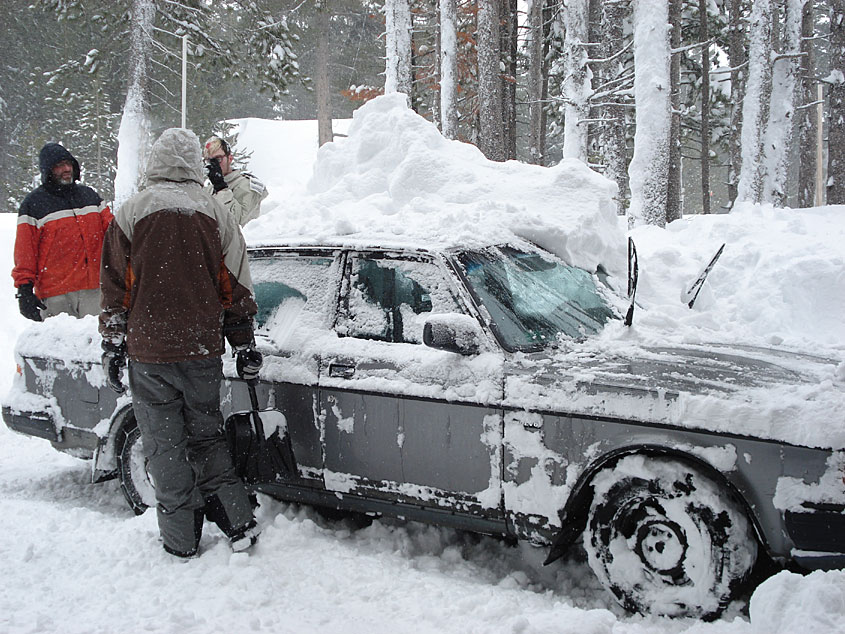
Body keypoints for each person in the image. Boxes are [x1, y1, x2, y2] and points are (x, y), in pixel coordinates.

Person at [99, 127, 264, 559]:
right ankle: (238, 523)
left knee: (164, 447)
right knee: (206, 437)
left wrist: (114, 343)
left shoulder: (131, 212)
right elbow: (235, 282)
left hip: (149, 352)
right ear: (194, 163)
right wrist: (243, 341)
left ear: (155, 162)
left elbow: (115, 286)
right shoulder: (214, 212)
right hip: (200, 350)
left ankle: (181, 539)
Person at [12, 143, 112, 320]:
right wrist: (24, 288)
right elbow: (25, 251)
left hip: (94, 290)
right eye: (59, 165)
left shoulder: (90, 197)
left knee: (95, 337)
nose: (66, 169)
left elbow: (114, 233)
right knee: (60, 338)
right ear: (48, 170)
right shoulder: (34, 204)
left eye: (68, 164)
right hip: (56, 295)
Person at [202, 135, 268, 226]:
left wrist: (221, 189)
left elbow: (239, 224)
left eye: (218, 159)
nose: (214, 165)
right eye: (209, 161)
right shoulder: (209, 189)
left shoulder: (247, 186)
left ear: (230, 159)